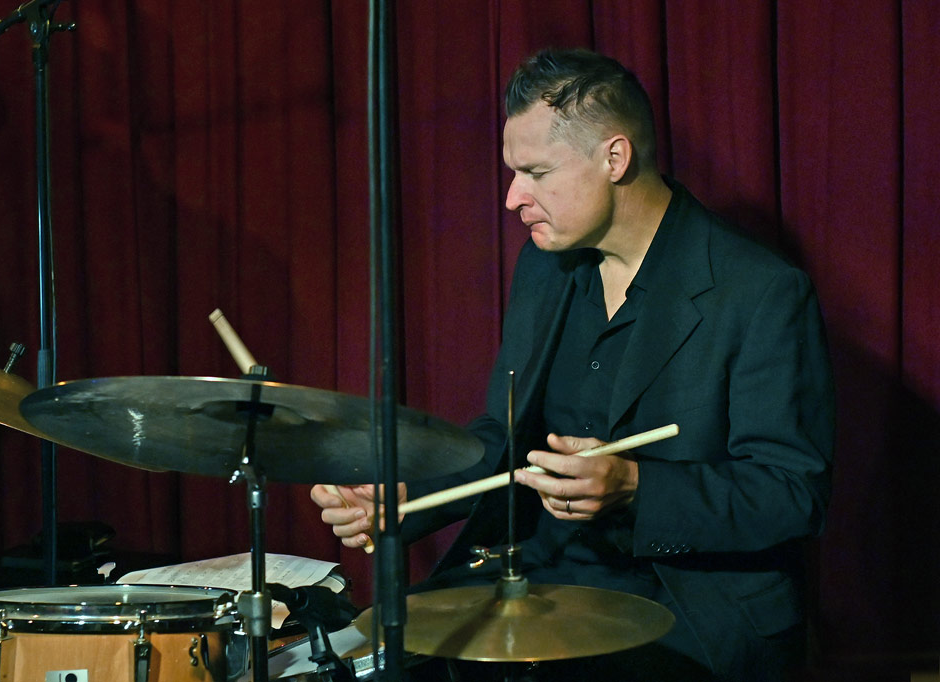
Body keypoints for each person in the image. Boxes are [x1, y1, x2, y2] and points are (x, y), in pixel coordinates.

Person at [311, 47, 833, 682]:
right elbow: (505, 439)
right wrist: (405, 498)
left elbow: (791, 493)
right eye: (513, 172)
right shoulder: (546, 265)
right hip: (541, 575)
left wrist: (635, 487)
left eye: (535, 172)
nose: (513, 197)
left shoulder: (760, 290)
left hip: (684, 602)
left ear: (614, 158)